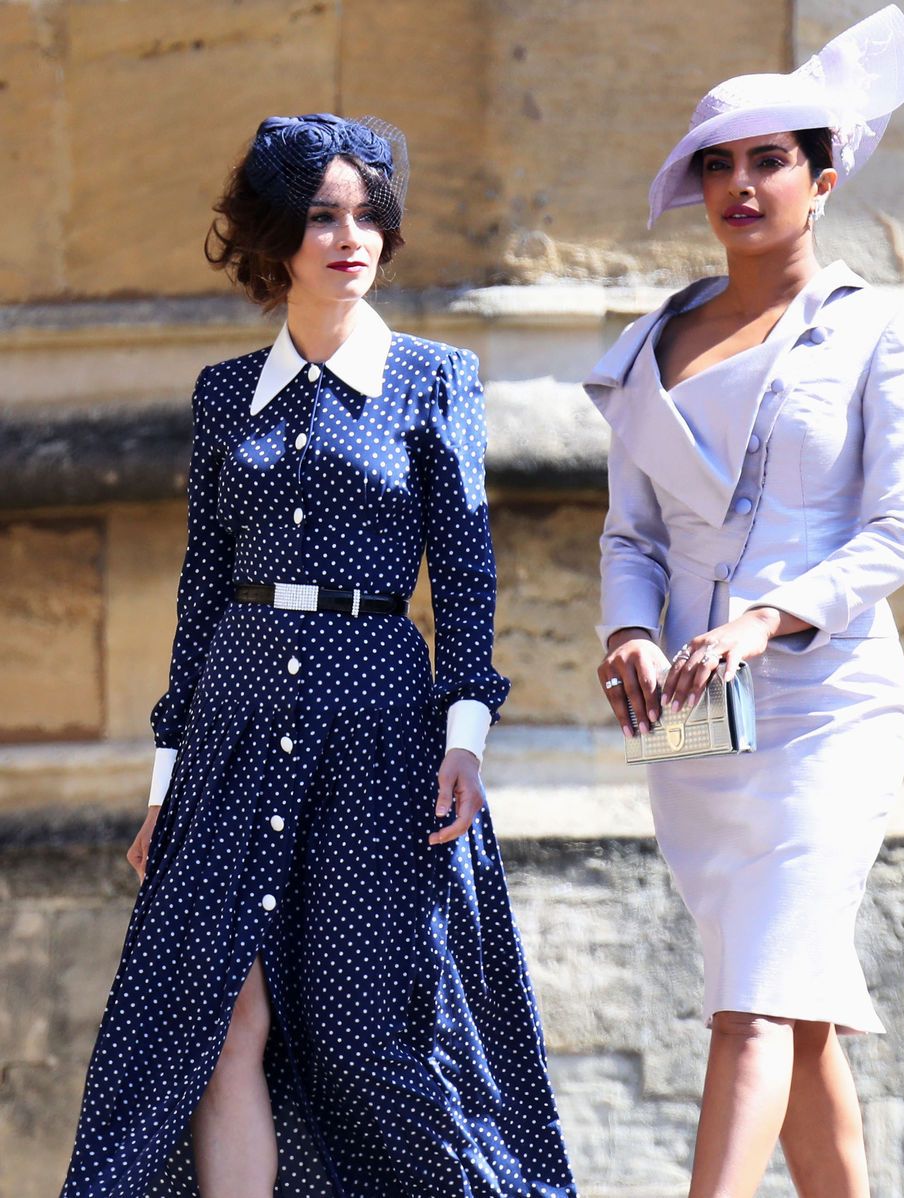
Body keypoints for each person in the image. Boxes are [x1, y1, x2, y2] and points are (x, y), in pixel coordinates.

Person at [61, 113, 575, 1198]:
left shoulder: (436, 380)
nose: (352, 237)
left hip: (379, 726)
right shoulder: (219, 397)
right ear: (275, 239)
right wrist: (167, 784)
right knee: (217, 1018)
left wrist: (465, 735)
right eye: (322, 217)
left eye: (368, 216)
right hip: (234, 728)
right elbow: (201, 594)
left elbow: (468, 576)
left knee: (365, 1033)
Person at [586, 8, 904, 1196]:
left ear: (821, 178)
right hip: (695, 723)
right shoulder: (648, 343)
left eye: (769, 160)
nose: (740, 184)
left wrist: (761, 617)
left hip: (826, 705)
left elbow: (898, 532)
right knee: (792, 1017)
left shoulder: (885, 327)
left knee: (749, 1008)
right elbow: (631, 533)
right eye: (719, 164)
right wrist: (631, 629)